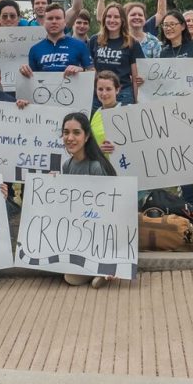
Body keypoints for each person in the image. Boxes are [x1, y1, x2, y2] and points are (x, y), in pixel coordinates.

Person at [155, 9, 193, 216]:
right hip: (173, 115)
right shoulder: (163, 53)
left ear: (182, 26)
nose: (169, 28)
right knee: (182, 163)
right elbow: (160, 85)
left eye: (173, 24)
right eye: (165, 25)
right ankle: (190, 210)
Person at [58, 111, 118, 288]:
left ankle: (106, 265)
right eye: (66, 132)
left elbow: (109, 212)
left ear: (87, 137)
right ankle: (95, 269)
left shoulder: (96, 166)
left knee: (72, 277)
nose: (70, 138)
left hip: (101, 233)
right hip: (80, 234)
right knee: (70, 278)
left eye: (76, 132)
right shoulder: (66, 165)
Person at [19, 3, 92, 80]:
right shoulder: (34, 50)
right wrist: (24, 71)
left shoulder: (80, 46)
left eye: (58, 18)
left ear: (64, 22)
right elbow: (31, 79)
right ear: (44, 23)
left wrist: (81, 70)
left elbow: (93, 72)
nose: (54, 22)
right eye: (50, 18)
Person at [89, 2, 143, 105]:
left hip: (123, 94)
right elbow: (88, 68)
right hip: (99, 95)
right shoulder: (94, 40)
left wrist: (137, 103)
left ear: (122, 20)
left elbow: (136, 78)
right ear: (104, 19)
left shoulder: (132, 43)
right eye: (109, 16)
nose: (112, 20)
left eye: (116, 17)